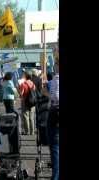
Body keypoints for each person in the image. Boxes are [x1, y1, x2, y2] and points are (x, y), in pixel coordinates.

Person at [47, 51, 59, 180]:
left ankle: (55, 176)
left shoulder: (57, 79)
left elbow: (56, 97)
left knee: (55, 147)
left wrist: (47, 93)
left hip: (55, 113)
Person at [19, 71, 36, 135]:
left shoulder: (23, 84)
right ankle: (32, 131)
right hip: (32, 102)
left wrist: (19, 90)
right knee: (31, 116)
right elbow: (34, 92)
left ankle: (27, 131)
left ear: (26, 76)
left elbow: (21, 94)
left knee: (26, 116)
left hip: (25, 101)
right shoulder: (33, 83)